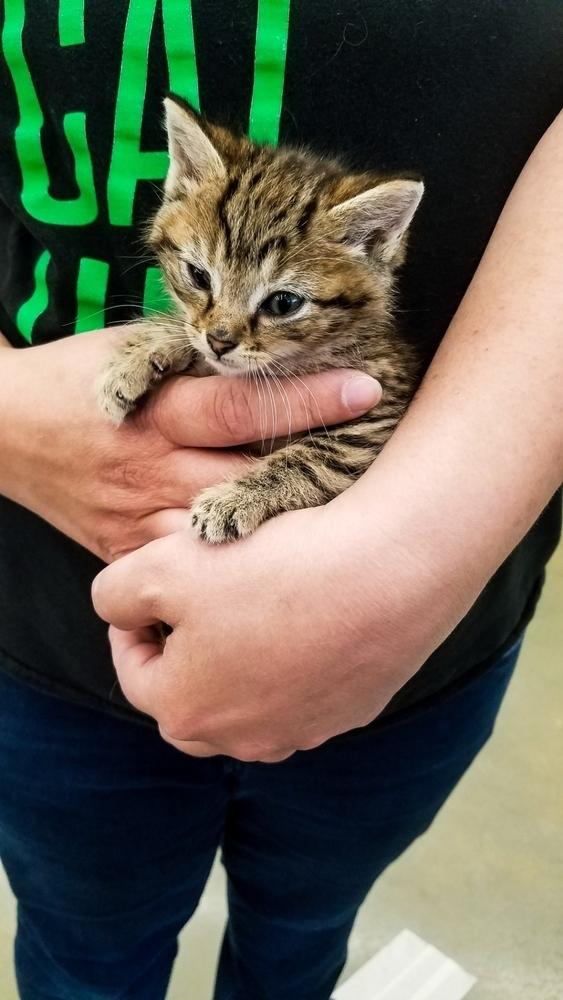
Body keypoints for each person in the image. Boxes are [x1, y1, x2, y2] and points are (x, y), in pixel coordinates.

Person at [1, 3, 562, 998]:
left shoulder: (362, 345)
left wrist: (318, 515)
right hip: (47, 638)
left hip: (402, 661)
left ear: (377, 247)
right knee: (84, 953)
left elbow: (363, 430)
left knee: (298, 933)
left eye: (279, 304)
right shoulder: (208, 308)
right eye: (197, 283)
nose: (220, 330)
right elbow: (203, 334)